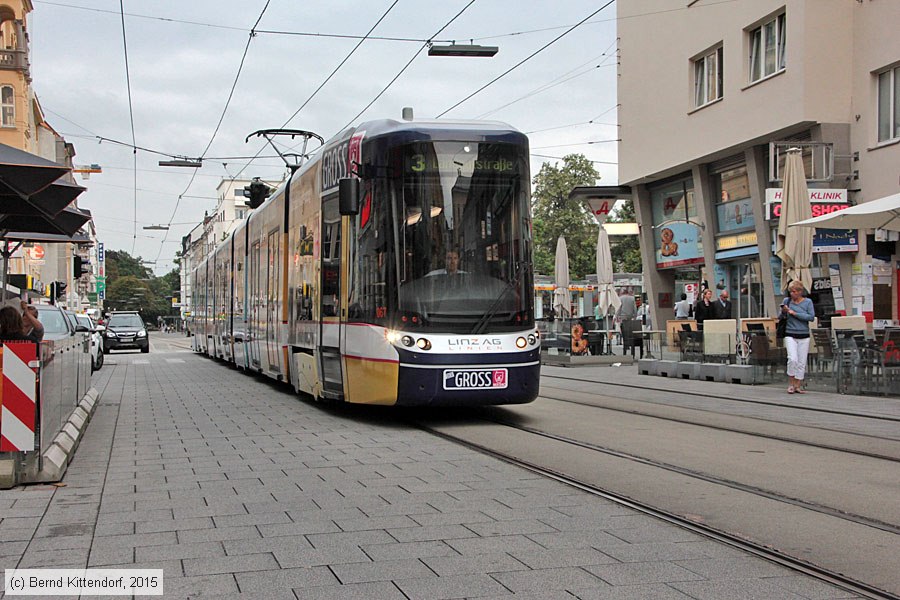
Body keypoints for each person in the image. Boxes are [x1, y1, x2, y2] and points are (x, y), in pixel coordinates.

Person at [780, 280, 815, 394]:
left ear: (800, 292)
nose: (792, 294)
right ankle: (791, 383)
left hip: (803, 334)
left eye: (794, 291)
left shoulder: (808, 302)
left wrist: (794, 313)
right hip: (790, 333)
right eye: (790, 291)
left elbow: (811, 317)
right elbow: (781, 316)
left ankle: (797, 385)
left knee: (801, 361)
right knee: (792, 358)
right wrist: (784, 311)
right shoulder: (787, 301)